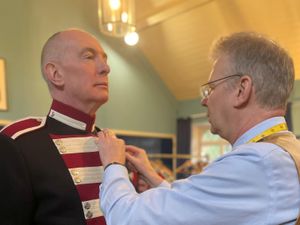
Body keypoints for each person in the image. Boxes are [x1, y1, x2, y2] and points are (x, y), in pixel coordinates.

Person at [97, 32, 300, 225]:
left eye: (211, 88)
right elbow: (208, 206)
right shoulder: (284, 150)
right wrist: (154, 178)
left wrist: (113, 164)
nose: (204, 100)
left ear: (241, 89)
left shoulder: (257, 162)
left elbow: (129, 219)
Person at [0, 28, 110, 225]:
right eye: (88, 57)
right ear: (56, 74)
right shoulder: (17, 143)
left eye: (105, 59)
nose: (105, 68)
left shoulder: (108, 142)